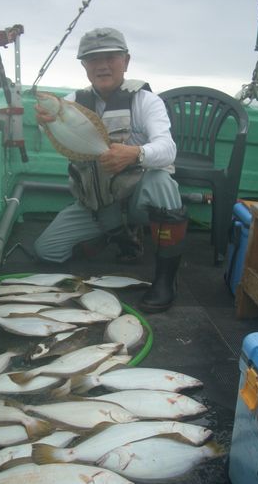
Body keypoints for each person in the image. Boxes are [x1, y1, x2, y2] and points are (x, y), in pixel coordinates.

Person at [34, 27, 187, 313]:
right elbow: (62, 142)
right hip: (98, 201)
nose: (102, 65)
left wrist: (135, 153)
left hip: (139, 200)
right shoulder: (71, 103)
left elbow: (168, 149)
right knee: (48, 251)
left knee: (162, 181)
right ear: (84, 66)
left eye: (111, 57)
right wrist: (46, 124)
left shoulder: (146, 101)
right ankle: (112, 233)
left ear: (126, 61)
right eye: (92, 59)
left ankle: (166, 279)